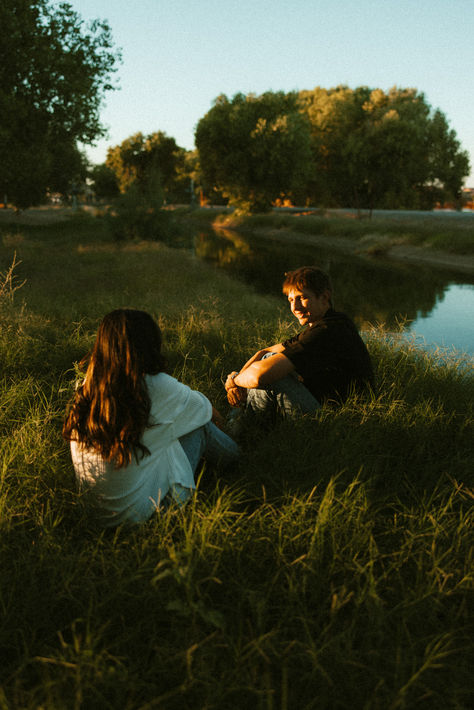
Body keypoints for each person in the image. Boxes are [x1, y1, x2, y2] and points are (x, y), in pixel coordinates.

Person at [63, 309, 239, 527]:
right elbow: (208, 411)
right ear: (150, 343)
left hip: (94, 516)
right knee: (198, 427)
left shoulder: (89, 388)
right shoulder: (154, 385)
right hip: (150, 518)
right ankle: (240, 457)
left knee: (167, 429)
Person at [224, 266, 373, 422]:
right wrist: (237, 380)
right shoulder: (328, 323)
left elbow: (260, 376)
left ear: (324, 297)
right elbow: (263, 352)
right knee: (269, 359)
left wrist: (234, 381)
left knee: (271, 374)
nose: (295, 307)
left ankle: (244, 431)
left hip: (338, 420)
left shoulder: (328, 332)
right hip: (326, 408)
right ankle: (240, 424)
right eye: (290, 300)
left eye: (302, 298)